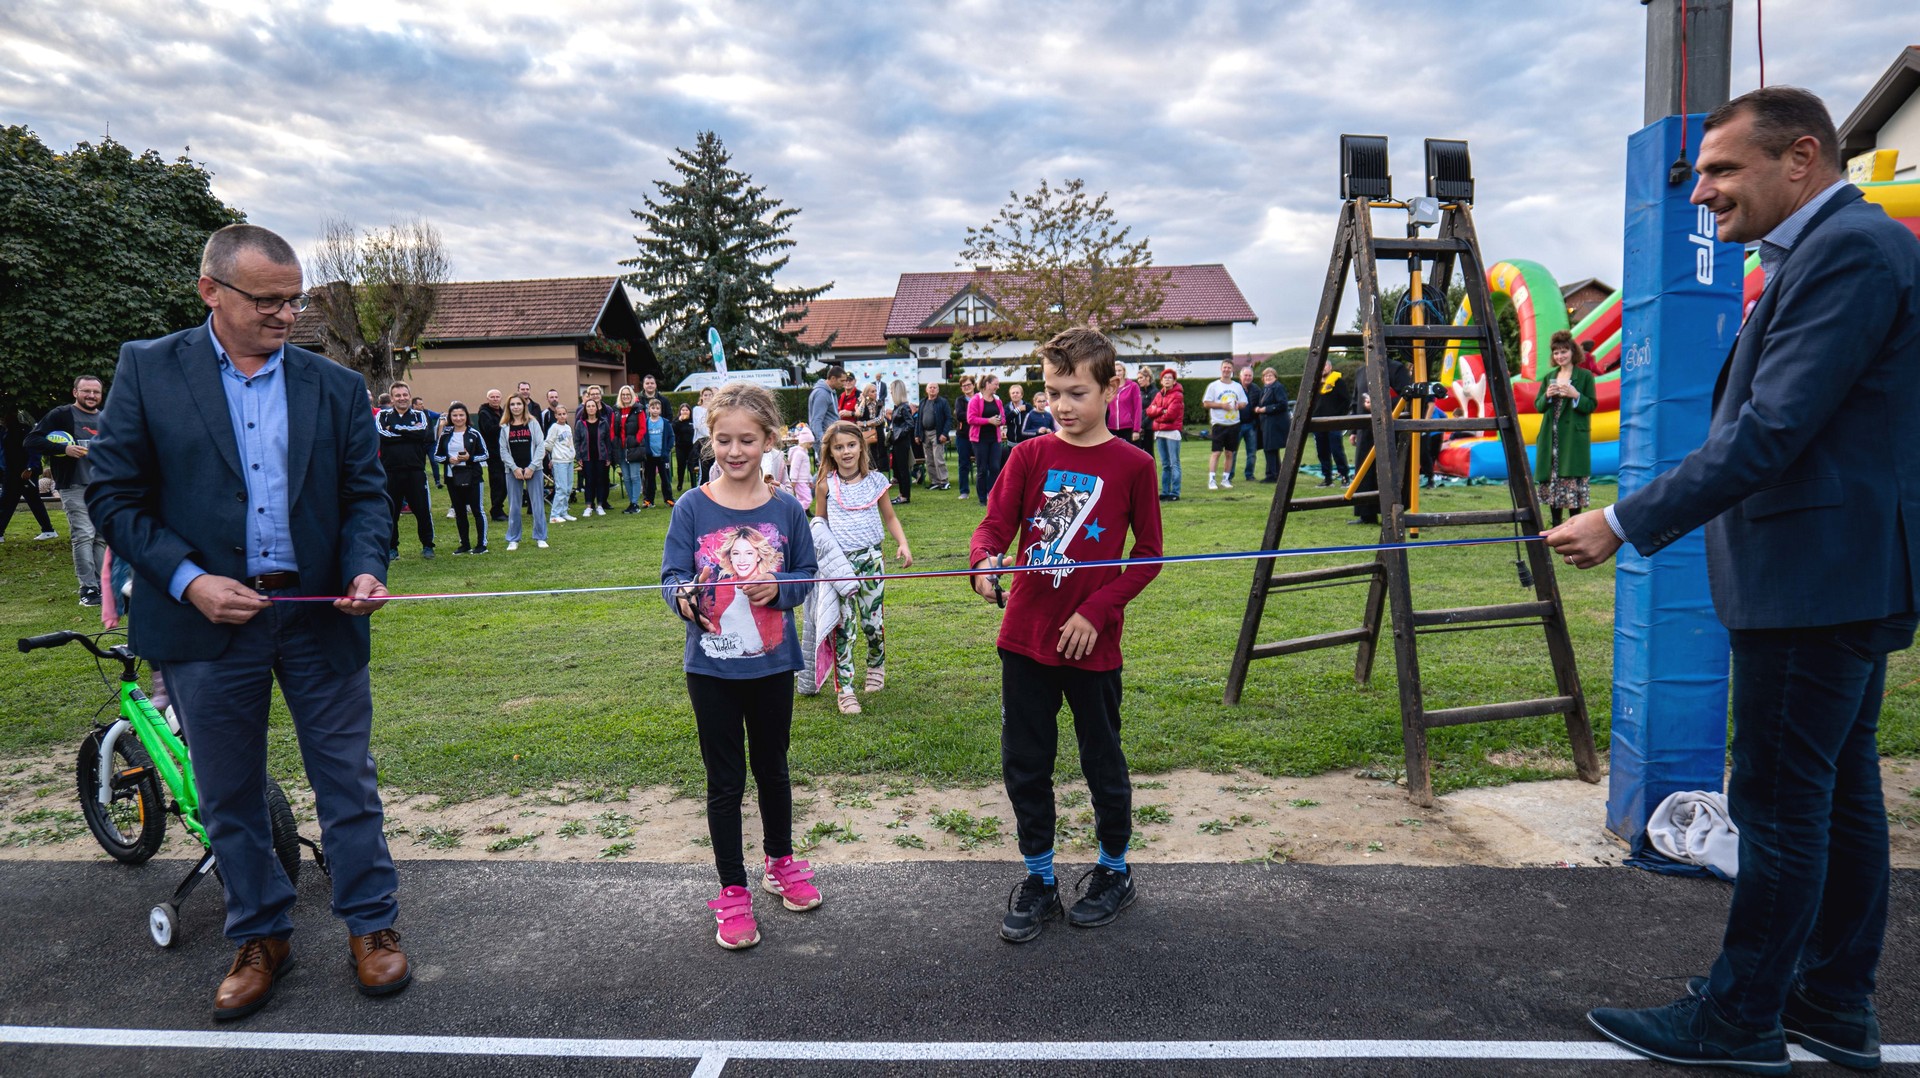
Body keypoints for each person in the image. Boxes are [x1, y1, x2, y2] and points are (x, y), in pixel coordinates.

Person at [1547, 86, 1920, 1075]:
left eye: (1720, 170)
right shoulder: (1840, 249)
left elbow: (1773, 428)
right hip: (1838, 575)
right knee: (1838, 796)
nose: (1702, 191)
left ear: (1800, 158)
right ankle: (1834, 1002)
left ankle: (1740, 1016)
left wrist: (1626, 521)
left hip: (1815, 581)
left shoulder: (1847, 251)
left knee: (1780, 802)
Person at [86, 223, 406, 1020]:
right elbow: (114, 498)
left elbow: (367, 496)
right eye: (267, 299)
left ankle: (371, 925)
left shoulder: (331, 386)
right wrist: (191, 581)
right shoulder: (149, 370)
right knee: (229, 792)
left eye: (294, 300)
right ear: (211, 292)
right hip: (203, 625)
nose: (286, 315)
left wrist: (368, 565)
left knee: (348, 783)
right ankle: (261, 934)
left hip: (318, 615)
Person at [967, 327, 1163, 944]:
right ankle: (1040, 878)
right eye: (1053, 392)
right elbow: (993, 528)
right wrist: (983, 563)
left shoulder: (1135, 466)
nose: (1062, 406)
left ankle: (1113, 871)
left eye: (1076, 392)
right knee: (1026, 761)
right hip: (1025, 635)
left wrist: (1097, 611)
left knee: (1102, 758)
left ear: (1111, 387)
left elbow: (1150, 555)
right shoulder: (1028, 456)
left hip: (1092, 645)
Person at [661, 382, 821, 951]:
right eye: (723, 439)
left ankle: (780, 862)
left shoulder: (785, 509)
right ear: (710, 440)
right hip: (711, 671)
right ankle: (732, 890)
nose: (734, 450)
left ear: (769, 441)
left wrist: (776, 585)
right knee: (725, 782)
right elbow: (671, 577)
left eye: (746, 440)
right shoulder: (691, 506)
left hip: (773, 665)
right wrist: (683, 597)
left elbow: (806, 574)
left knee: (773, 769)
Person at [812, 420, 913, 715]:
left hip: (872, 561)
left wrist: (903, 543)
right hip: (840, 566)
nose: (846, 452)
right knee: (844, 626)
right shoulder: (825, 485)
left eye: (851, 445)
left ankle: (876, 663)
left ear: (862, 446)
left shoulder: (876, 482)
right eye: (839, 447)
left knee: (871, 623)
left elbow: (891, 518)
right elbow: (820, 526)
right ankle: (845, 690)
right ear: (830, 451)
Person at [26, 374, 107, 604]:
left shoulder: (106, 418)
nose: (91, 396)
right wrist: (63, 448)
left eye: (96, 392)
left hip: (102, 487)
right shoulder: (61, 415)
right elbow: (31, 441)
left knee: (100, 538)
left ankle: (100, 586)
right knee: (84, 535)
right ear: (75, 392)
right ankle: (88, 590)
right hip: (73, 485)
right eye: (86, 391)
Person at [1533, 329, 1597, 527]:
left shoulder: (1585, 376)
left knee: (1571, 479)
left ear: (1573, 352)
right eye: (1556, 352)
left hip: (1572, 437)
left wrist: (1576, 395)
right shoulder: (1549, 377)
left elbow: (1591, 405)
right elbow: (1538, 406)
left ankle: (1574, 525)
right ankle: (1555, 524)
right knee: (1553, 480)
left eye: (1564, 351)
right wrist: (1548, 396)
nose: (1560, 356)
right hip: (1551, 435)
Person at [374, 380, 435, 561]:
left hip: (415, 471)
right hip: (390, 471)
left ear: (409, 395)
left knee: (422, 510)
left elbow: (424, 434)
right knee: (391, 512)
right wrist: (409, 432)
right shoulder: (383, 417)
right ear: (392, 399)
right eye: (398, 395)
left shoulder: (420, 415)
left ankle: (427, 545)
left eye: (405, 395)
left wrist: (395, 430)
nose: (402, 398)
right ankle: (392, 548)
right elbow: (382, 436)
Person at [1348, 353, 1411, 526]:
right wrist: (1353, 430)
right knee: (1364, 470)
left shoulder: (1396, 369)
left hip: (1391, 429)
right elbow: (1356, 402)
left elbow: (1408, 395)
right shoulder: (1361, 371)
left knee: (1391, 469)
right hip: (1366, 430)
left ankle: (1393, 514)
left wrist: (1381, 403)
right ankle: (1366, 513)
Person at [435, 402, 490, 553]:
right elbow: (437, 456)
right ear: (450, 417)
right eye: (455, 415)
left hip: (473, 476)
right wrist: (448, 459)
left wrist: (469, 458)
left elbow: (485, 454)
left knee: (477, 510)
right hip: (453, 477)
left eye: (461, 415)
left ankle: (481, 544)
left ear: (466, 416)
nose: (458, 418)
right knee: (459, 511)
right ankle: (464, 544)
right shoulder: (445, 434)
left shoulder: (474, 433)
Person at [497, 394, 548, 551]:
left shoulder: (533, 423)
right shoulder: (505, 427)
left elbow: (541, 446)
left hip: (534, 470)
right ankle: (513, 538)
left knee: (538, 504)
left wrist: (532, 467)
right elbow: (503, 450)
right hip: (513, 471)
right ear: (509, 407)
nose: (516, 407)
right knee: (514, 506)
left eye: (519, 404)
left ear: (524, 406)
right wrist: (514, 468)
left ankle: (540, 537)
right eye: (512, 404)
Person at [0, 408, 58, 543]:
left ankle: (48, 530)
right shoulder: (7, 432)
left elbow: (34, 450)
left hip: (22, 473)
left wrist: (30, 468)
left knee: (9, 502)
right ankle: (48, 530)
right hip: (14, 473)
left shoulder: (23, 431)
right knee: (28, 501)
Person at [1199, 360, 1246, 491]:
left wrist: (1238, 405)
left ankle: (1225, 479)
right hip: (1219, 424)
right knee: (1216, 453)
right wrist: (1221, 405)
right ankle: (1212, 480)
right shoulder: (1214, 386)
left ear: (1232, 370)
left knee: (1230, 453)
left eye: (1229, 368)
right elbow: (1206, 403)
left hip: (1234, 423)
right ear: (1221, 369)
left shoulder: (1237, 386)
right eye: (1224, 367)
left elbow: (1244, 403)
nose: (1226, 370)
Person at [1145, 367, 1184, 501]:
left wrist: (1158, 412)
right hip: (1160, 432)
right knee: (1165, 464)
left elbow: (1171, 415)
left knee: (1174, 463)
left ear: (1174, 381)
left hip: (1172, 432)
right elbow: (1149, 411)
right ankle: (1165, 491)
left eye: (1170, 378)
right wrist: (1162, 411)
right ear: (1161, 381)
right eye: (1165, 378)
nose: (1167, 380)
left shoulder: (1177, 395)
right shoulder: (1158, 395)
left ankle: (1175, 492)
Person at [968, 374, 1008, 505]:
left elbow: (1003, 418)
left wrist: (1000, 421)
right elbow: (971, 419)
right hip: (979, 440)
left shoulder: (998, 400)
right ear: (987, 384)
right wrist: (988, 421)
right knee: (982, 469)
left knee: (995, 467)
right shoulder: (975, 399)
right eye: (996, 384)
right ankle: (982, 498)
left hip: (994, 439)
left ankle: (992, 495)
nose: (998, 386)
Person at [574, 397, 614, 516]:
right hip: (587, 458)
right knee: (589, 481)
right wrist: (579, 457)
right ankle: (589, 506)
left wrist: (609, 457)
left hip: (601, 457)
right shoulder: (581, 423)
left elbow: (607, 441)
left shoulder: (603, 422)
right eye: (588, 406)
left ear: (597, 408)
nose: (591, 408)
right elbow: (577, 441)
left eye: (593, 406)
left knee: (601, 481)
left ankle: (600, 505)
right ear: (585, 409)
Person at [1314, 368, 1353, 486]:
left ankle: (1345, 476)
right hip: (1318, 422)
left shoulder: (1338, 382)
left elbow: (1346, 400)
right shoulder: (1315, 383)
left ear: (1330, 367)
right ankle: (1327, 478)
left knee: (1337, 451)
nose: (1323, 368)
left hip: (1334, 422)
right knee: (1322, 451)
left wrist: (1339, 415)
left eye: (1325, 365)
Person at [610, 385, 646, 513]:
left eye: (628, 394)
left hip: (634, 448)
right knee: (626, 477)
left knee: (635, 476)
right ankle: (632, 503)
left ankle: (635, 503)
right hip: (621, 448)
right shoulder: (616, 410)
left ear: (631, 395)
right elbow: (612, 429)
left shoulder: (638, 409)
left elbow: (642, 428)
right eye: (623, 394)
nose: (625, 396)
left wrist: (635, 440)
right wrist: (615, 441)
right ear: (620, 396)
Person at [475, 388, 507, 521]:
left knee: (504, 482)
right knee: (497, 482)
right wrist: (503, 425)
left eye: (497, 396)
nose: (495, 399)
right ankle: (496, 511)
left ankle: (499, 507)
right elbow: (489, 430)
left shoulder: (502, 412)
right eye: (492, 397)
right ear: (488, 399)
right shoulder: (484, 413)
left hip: (504, 452)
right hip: (493, 453)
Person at [1255, 367, 1291, 482]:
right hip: (1267, 423)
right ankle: (1275, 474)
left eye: (1270, 375)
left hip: (1275, 423)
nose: (1268, 377)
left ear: (1275, 377)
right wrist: (1258, 408)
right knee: (1271, 449)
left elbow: (1282, 404)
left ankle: (1271, 475)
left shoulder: (1277, 387)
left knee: (1270, 448)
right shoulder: (1265, 389)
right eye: (1266, 376)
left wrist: (1265, 409)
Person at [544, 402, 577, 525]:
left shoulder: (567, 427)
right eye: (560, 414)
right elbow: (548, 443)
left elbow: (570, 443)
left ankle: (563, 512)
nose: (562, 416)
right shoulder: (554, 428)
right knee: (561, 488)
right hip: (559, 462)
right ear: (556, 415)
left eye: (564, 414)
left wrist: (572, 454)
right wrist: (554, 456)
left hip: (569, 461)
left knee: (568, 488)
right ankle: (554, 514)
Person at [886, 379, 917, 506]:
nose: (891, 393)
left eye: (892, 390)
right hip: (897, 442)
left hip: (901, 443)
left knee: (903, 470)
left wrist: (898, 435)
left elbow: (910, 425)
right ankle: (902, 494)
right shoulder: (898, 407)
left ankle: (905, 496)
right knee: (898, 469)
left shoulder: (904, 407)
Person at [640, 396, 674, 508]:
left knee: (665, 479)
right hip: (650, 456)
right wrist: (646, 451)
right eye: (653, 407)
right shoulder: (645, 423)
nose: (655, 410)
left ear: (660, 410)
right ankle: (648, 500)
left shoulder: (665, 423)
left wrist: (667, 450)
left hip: (662, 456)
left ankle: (669, 499)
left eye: (657, 408)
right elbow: (642, 438)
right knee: (649, 479)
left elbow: (671, 437)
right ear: (649, 409)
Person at [920, 381, 952, 491]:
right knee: (929, 460)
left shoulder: (943, 402)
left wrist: (944, 433)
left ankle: (944, 481)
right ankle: (934, 481)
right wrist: (917, 434)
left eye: (935, 388)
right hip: (925, 434)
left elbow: (949, 418)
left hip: (937, 433)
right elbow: (919, 419)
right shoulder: (923, 402)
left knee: (938, 458)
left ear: (938, 390)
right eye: (930, 387)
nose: (932, 389)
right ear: (927, 390)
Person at [806, 366, 848, 448]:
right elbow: (816, 420)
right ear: (833, 378)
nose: (844, 384)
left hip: (831, 437)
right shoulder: (822, 394)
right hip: (826, 441)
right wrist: (823, 441)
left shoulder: (831, 391)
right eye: (842, 381)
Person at [1107, 362, 1142, 448]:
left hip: (1128, 428)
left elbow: (1138, 408)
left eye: (1120, 370)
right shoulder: (1109, 387)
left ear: (1124, 371)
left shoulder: (1133, 386)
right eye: (1115, 371)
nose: (1117, 373)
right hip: (1112, 428)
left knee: (1129, 457)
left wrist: (1136, 430)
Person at [1236, 365, 1260, 481]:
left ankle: (1249, 475)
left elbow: (1260, 404)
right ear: (1240, 376)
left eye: (1250, 375)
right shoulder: (1234, 388)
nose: (1248, 377)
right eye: (1245, 375)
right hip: (1236, 425)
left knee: (1252, 453)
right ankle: (1229, 476)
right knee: (1233, 452)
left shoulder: (1256, 389)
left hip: (1251, 425)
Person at [955, 375, 977, 499]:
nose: (967, 387)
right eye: (964, 386)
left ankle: (984, 491)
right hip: (963, 436)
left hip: (979, 436)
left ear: (973, 385)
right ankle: (964, 491)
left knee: (982, 464)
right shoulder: (960, 400)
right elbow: (959, 415)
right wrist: (975, 416)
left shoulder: (980, 397)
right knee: (963, 464)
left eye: (969, 385)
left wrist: (971, 416)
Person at [674, 402, 699, 492]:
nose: (685, 412)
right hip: (680, 447)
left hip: (691, 447)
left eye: (686, 410)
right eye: (683, 410)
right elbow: (674, 430)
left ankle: (693, 485)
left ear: (690, 411)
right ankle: (680, 483)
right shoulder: (677, 421)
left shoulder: (693, 421)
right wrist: (679, 421)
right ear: (680, 411)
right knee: (681, 465)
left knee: (692, 466)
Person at [1004, 383, 1030, 447]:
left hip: (1025, 442)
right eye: (1013, 393)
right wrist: (1018, 409)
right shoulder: (1007, 407)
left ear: (1021, 395)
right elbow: (1006, 419)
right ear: (1010, 395)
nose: (1015, 394)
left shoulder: (1028, 406)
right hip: (1011, 443)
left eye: (1017, 393)